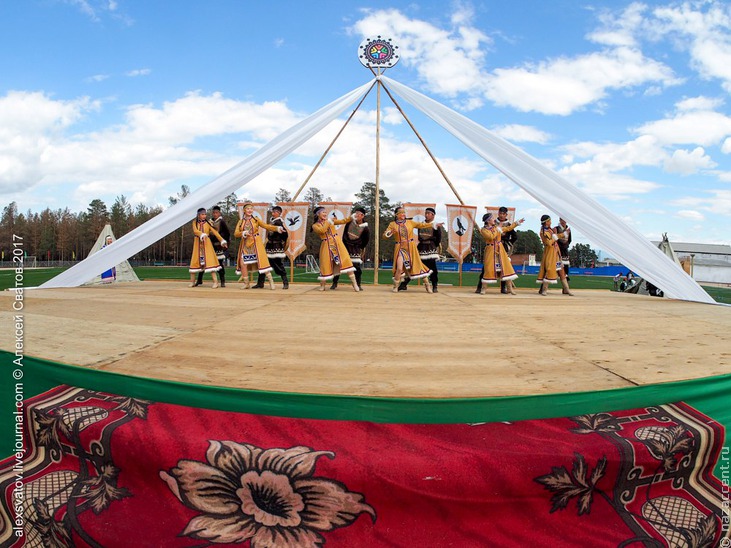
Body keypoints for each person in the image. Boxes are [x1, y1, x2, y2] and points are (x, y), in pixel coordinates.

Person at [382, 206, 435, 293]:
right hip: (400, 248)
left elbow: (422, 225)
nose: (403, 214)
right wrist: (390, 233)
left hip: (411, 247)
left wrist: (433, 224)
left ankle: (427, 285)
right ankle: (395, 286)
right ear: (396, 215)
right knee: (399, 268)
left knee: (418, 266)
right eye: (401, 213)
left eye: (404, 213)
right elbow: (384, 235)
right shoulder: (392, 224)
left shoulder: (410, 222)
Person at [234, 202, 285, 290]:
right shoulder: (241, 221)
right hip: (245, 244)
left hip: (256, 243)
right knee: (242, 263)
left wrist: (277, 228)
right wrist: (243, 233)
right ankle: (246, 283)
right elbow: (235, 234)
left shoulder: (256, 220)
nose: (250, 210)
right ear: (244, 211)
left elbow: (266, 226)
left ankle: (271, 282)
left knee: (262, 262)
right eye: (248, 209)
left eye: (251, 209)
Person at [311, 206, 360, 292]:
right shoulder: (315, 225)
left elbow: (342, 221)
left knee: (346, 261)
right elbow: (322, 230)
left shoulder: (330, 221)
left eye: (326, 212)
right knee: (325, 264)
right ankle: (322, 285)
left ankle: (354, 283)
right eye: (323, 212)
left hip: (337, 243)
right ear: (318, 214)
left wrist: (351, 217)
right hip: (326, 244)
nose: (325, 214)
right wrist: (328, 222)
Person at [398, 207, 444, 292]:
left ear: (433, 215)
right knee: (414, 266)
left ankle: (434, 285)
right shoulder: (421, 224)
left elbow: (438, 239)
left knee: (433, 268)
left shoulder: (436, 225)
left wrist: (432, 244)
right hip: (421, 247)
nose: (426, 215)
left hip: (430, 249)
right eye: (425, 213)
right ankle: (404, 284)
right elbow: (420, 236)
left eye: (428, 213)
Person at [478, 212, 524, 294]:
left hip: (500, 250)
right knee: (489, 269)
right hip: (491, 250)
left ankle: (510, 288)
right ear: (488, 221)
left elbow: (508, 228)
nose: (494, 220)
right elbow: (491, 237)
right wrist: (498, 230)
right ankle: (483, 288)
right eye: (492, 218)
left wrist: (516, 223)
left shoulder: (496, 227)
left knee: (506, 268)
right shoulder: (484, 230)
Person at [331, 206, 370, 290]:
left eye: (358, 214)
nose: (356, 215)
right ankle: (334, 283)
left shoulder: (365, 228)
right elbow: (344, 235)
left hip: (356, 248)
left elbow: (366, 240)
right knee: (339, 264)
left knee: (357, 267)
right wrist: (343, 246)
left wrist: (360, 247)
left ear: (362, 216)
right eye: (355, 214)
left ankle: (358, 284)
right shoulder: (349, 223)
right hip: (345, 246)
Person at [537, 214, 573, 296]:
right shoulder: (543, 232)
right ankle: (544, 290)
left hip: (556, 253)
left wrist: (563, 234)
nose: (551, 222)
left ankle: (567, 289)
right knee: (549, 270)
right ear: (546, 222)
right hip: (549, 253)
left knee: (562, 271)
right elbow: (549, 242)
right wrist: (557, 236)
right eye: (549, 221)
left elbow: (555, 237)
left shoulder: (550, 230)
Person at [254, 205, 289, 289]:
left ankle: (285, 282)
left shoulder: (279, 222)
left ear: (279, 213)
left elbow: (285, 234)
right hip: (269, 246)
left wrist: (280, 239)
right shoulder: (273, 221)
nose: (272, 213)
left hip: (276, 247)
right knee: (263, 264)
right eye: (272, 212)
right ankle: (260, 283)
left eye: (274, 212)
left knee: (278, 265)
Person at [189, 208, 225, 288]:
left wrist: (222, 240)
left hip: (207, 244)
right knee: (195, 262)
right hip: (197, 244)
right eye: (202, 214)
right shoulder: (194, 223)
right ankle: (192, 282)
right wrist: (201, 234)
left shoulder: (207, 223)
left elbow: (215, 232)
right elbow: (195, 231)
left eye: (205, 214)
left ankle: (215, 282)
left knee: (210, 262)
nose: (204, 216)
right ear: (198, 215)